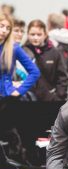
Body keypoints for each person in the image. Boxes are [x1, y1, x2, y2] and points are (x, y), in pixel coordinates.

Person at [0, 13, 40, 161]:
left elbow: (34, 72)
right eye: (1, 26)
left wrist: (20, 89)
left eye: (7, 28)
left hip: (6, 100)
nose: (4, 30)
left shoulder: (13, 48)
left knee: (11, 141)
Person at [23, 19, 68, 102]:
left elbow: (62, 77)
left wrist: (59, 96)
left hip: (51, 99)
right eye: (32, 34)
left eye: (39, 34)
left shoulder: (54, 52)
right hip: (29, 99)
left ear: (45, 35)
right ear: (28, 35)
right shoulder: (23, 51)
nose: (35, 37)